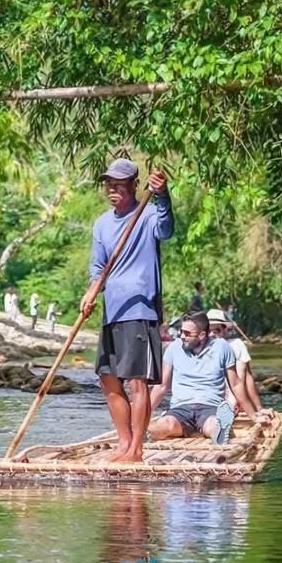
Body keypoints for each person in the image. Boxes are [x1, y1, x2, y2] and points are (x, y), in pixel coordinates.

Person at [80, 156, 173, 463]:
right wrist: (92, 291)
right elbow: (98, 267)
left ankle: (136, 449)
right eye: (109, 185)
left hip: (140, 309)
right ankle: (123, 443)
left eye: (120, 185)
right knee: (107, 378)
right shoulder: (102, 224)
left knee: (137, 381)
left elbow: (166, 229)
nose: (113, 190)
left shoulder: (146, 215)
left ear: (135, 185)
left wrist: (162, 195)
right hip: (113, 310)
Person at [148, 311, 266, 445]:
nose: (181, 336)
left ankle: (220, 431)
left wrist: (254, 416)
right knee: (162, 426)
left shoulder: (221, 347)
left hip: (210, 408)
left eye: (187, 333)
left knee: (215, 426)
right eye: (181, 331)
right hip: (181, 408)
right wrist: (143, 417)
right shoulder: (174, 348)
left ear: (202, 335)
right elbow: (161, 386)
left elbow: (236, 384)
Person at [207, 308, 265, 412]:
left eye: (216, 331)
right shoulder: (200, 349)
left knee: (241, 367)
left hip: (234, 395)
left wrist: (259, 407)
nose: (212, 335)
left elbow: (248, 377)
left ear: (224, 330)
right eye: (209, 331)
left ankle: (238, 403)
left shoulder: (236, 345)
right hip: (210, 399)